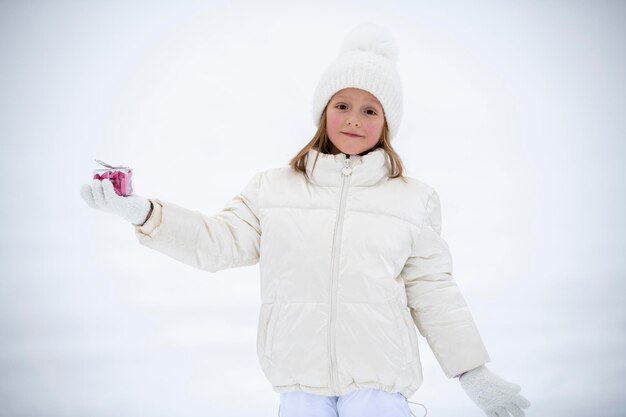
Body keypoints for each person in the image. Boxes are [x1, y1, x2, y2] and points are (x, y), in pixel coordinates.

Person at [81, 23, 530, 417]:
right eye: (342, 105)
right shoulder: (273, 188)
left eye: (370, 110)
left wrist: (472, 371)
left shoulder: (413, 200)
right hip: (298, 383)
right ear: (322, 111)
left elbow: (433, 292)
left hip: (379, 385)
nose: (354, 120)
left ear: (387, 122)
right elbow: (216, 242)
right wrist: (143, 213)